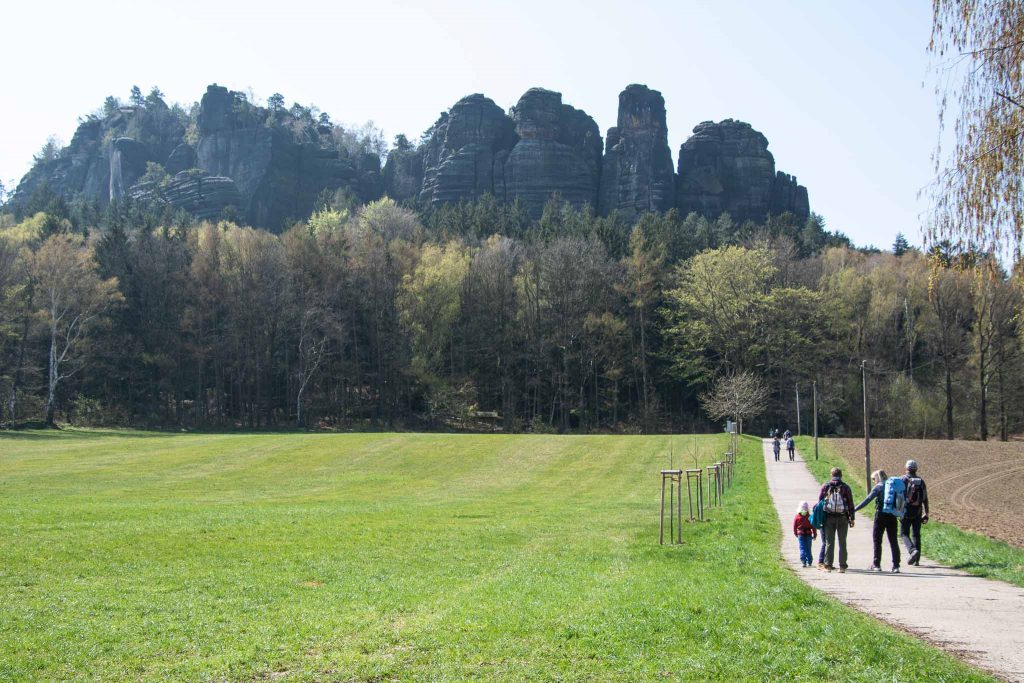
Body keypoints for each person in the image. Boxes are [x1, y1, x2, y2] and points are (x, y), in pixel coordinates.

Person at [853, 469, 901, 573]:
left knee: (877, 540)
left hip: (880, 516)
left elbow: (867, 500)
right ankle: (896, 565)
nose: (873, 481)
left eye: (874, 479)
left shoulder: (878, 487)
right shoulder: (893, 487)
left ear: (877, 478)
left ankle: (876, 564)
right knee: (893, 541)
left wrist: (854, 509)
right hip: (892, 515)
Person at [818, 467, 855, 572]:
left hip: (829, 517)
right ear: (841, 475)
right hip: (843, 517)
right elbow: (850, 503)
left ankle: (828, 565)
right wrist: (852, 518)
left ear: (832, 475)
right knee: (842, 542)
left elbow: (820, 502)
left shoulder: (826, 486)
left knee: (829, 541)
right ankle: (842, 566)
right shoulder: (845, 487)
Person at [901, 459, 930, 566]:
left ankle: (912, 551)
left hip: (906, 511)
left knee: (904, 533)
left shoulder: (903, 479)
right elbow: (925, 498)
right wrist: (926, 513)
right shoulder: (921, 481)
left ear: (906, 468)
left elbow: (899, 496)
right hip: (918, 511)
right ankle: (917, 560)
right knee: (916, 534)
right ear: (916, 469)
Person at [794, 501, 817, 567]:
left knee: (802, 548)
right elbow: (813, 526)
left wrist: (796, 533)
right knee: (808, 548)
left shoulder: (797, 517)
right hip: (808, 534)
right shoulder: (810, 517)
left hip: (800, 534)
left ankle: (803, 561)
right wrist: (815, 534)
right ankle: (809, 561)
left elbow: (794, 526)